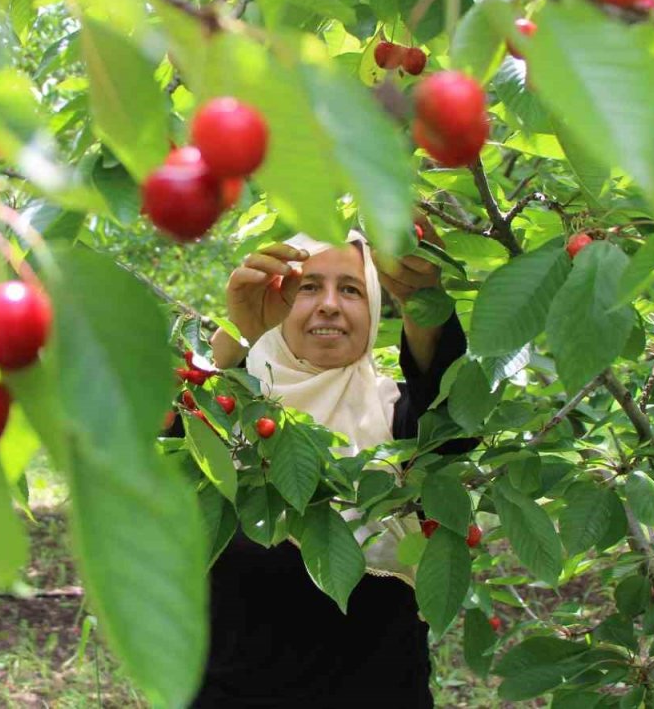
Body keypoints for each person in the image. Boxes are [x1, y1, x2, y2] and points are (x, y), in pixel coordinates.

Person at [188, 224, 474, 708]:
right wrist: (240, 332)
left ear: (377, 306)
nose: (329, 304)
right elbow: (141, 432)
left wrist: (422, 299)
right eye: (307, 287)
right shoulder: (226, 413)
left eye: (351, 289)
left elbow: (453, 422)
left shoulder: (398, 418)